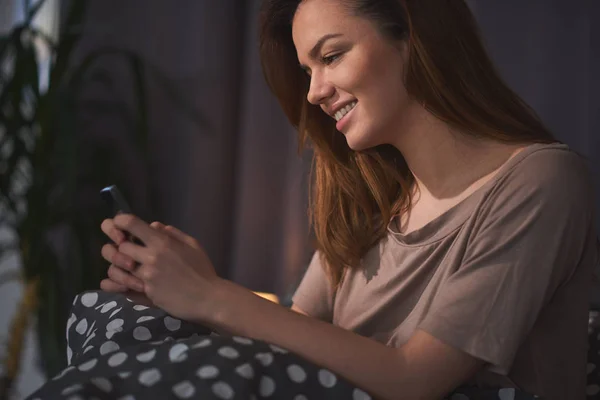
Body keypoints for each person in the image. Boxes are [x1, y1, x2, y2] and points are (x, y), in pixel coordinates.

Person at [99, 0, 599, 399]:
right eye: (307, 70)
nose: (314, 92)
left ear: (412, 35)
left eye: (331, 56)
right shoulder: (370, 201)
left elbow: (415, 380)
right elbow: (297, 336)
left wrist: (211, 295)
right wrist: (188, 292)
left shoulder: (541, 180)